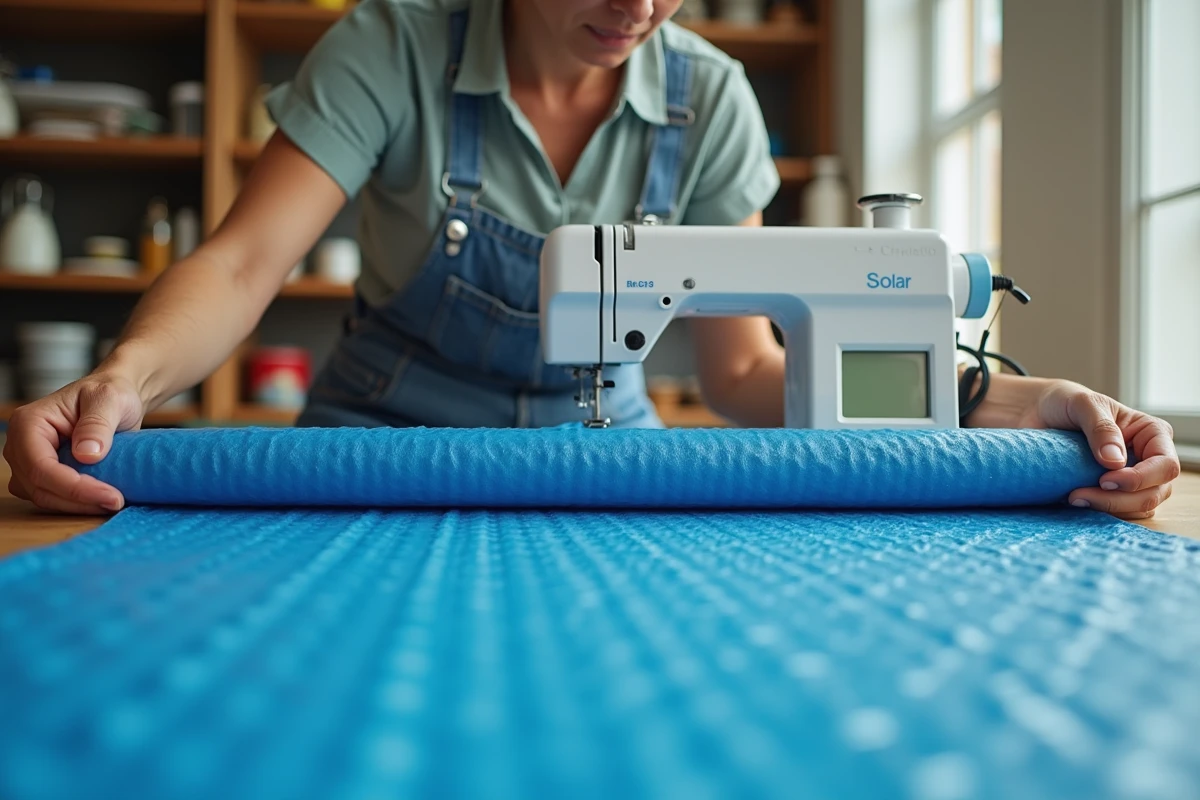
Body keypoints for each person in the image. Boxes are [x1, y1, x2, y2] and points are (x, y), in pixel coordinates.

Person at [2, 0, 1179, 519]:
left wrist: (1034, 404)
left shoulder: (708, 99)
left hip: (609, 468)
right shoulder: (393, 43)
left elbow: (746, 376)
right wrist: (130, 375)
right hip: (380, 457)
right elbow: (246, 262)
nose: (638, 5)